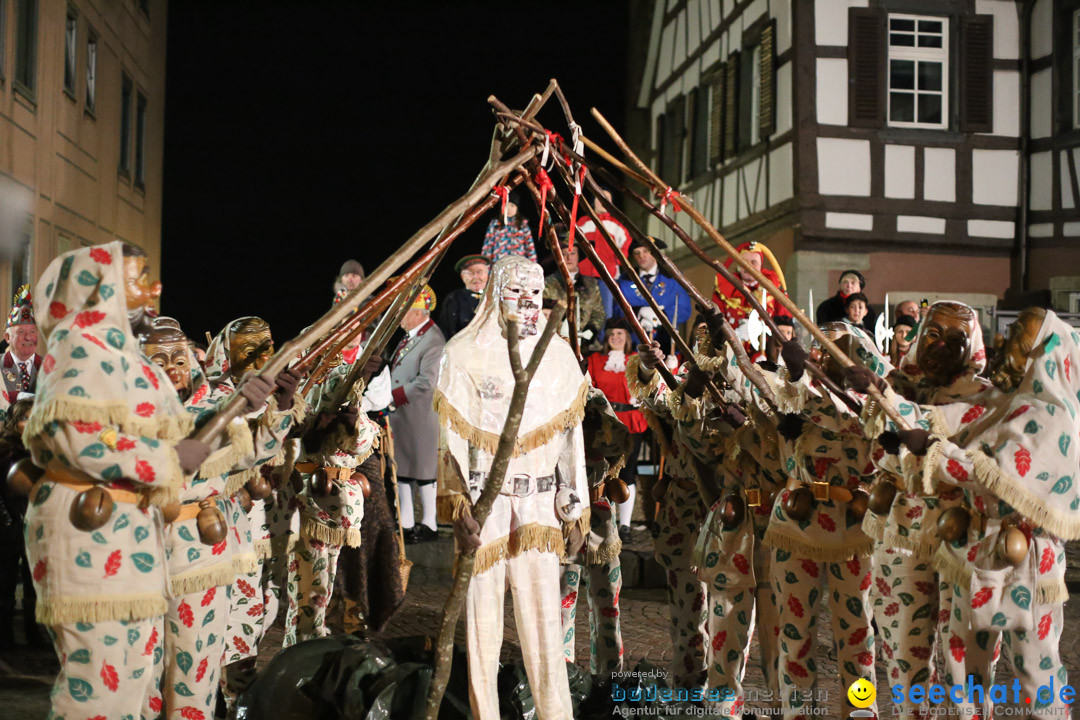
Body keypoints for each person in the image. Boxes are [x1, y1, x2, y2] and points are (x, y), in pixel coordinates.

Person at [21, 241, 215, 719]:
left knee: (134, 678)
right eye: (137, 279)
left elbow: (188, 437)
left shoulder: (129, 356)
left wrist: (253, 410)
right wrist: (165, 457)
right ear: (100, 290)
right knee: (97, 688)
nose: (154, 288)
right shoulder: (77, 344)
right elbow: (78, 437)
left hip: (132, 537)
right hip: (90, 536)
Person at [435, 254, 589, 719]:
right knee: (481, 625)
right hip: (486, 505)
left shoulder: (558, 355)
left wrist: (573, 502)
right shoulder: (461, 354)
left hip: (540, 504)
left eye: (534, 297)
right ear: (492, 295)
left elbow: (571, 437)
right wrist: (458, 505)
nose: (525, 306)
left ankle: (554, 713)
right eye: (515, 295)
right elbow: (449, 443)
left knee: (544, 622)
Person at [389, 284, 445, 543]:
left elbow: (426, 382)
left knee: (424, 472)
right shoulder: (410, 335)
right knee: (403, 471)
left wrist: (394, 395)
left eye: (404, 309)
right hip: (403, 417)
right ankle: (407, 524)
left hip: (420, 415)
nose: (399, 313)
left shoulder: (433, 339)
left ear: (419, 312)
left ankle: (429, 523)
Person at [587, 318, 647, 540]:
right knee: (602, 472)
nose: (615, 337)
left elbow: (651, 383)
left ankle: (625, 525)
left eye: (620, 333)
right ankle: (604, 521)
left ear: (627, 337)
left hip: (631, 420)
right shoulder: (595, 360)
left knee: (627, 471)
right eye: (612, 333)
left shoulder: (636, 360)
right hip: (604, 422)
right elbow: (588, 387)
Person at [0, 398, 45, 651]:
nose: (29, 423)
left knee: (34, 584)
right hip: (9, 524)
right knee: (5, 585)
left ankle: (33, 633)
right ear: (14, 422)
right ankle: (5, 637)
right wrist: (7, 521)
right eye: (24, 418)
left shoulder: (42, 450)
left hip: (35, 523)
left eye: (33, 417)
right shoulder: (5, 448)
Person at [611, 237, 691, 354]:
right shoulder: (625, 281)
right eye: (636, 253)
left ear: (655, 252)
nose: (641, 256)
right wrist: (638, 312)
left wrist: (661, 315)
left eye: (645, 251)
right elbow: (617, 311)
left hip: (666, 343)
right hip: (635, 345)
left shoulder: (673, 278)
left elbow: (684, 310)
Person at [711, 241, 791, 359]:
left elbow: (785, 323)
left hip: (766, 355)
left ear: (760, 266)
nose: (749, 266)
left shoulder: (773, 288)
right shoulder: (724, 288)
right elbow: (715, 321)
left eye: (754, 262)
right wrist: (732, 336)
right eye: (744, 262)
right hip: (732, 355)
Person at [575, 186, 632, 317]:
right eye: (599, 198)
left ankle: (602, 337)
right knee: (583, 311)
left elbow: (625, 246)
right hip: (584, 275)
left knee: (605, 312)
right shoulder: (583, 223)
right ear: (593, 201)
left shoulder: (617, 225)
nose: (602, 201)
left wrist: (616, 262)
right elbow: (573, 244)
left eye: (606, 199)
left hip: (607, 276)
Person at [543, 239, 606, 355]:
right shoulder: (547, 283)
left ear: (578, 256)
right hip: (556, 345)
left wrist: (591, 330)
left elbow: (599, 312)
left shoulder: (591, 283)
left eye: (572, 253)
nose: (568, 258)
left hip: (587, 347)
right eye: (564, 254)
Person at [0, 285, 41, 419]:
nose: (28, 337)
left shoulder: (49, 366)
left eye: (32, 332)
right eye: (21, 332)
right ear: (7, 338)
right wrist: (18, 396)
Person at [437, 254, 491, 338]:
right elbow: (445, 331)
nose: (476, 277)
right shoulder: (453, 299)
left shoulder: (495, 296)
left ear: (487, 274)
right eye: (470, 273)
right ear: (462, 276)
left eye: (479, 272)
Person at [481, 189, 536, 262]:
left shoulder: (522, 225)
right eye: (506, 206)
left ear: (517, 208)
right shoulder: (495, 224)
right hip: (499, 263)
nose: (509, 209)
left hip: (518, 264)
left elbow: (530, 247)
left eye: (512, 206)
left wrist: (533, 265)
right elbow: (488, 246)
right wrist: (485, 265)